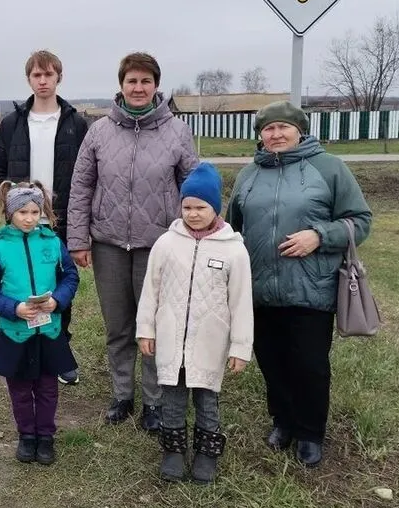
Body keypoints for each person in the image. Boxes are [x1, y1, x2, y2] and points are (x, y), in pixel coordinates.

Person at [227, 101, 372, 468]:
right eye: (268, 129)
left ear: (300, 131)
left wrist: (319, 236)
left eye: (283, 127)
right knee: (271, 360)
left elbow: (360, 220)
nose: (276, 134)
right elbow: (233, 226)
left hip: (310, 286)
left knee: (309, 363)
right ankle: (283, 421)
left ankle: (310, 432)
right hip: (259, 288)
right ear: (260, 135)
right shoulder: (249, 174)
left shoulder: (329, 168)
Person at [66, 52, 199, 430]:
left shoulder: (177, 132)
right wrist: (78, 239)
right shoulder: (99, 131)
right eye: (132, 81)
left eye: (145, 81)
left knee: (154, 326)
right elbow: (81, 187)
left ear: (156, 86)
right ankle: (122, 394)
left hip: (158, 246)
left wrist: (194, 236)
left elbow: (194, 186)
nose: (138, 88)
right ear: (121, 85)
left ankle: (154, 401)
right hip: (108, 244)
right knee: (118, 325)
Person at [136, 162, 253, 484]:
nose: (193, 214)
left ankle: (206, 453)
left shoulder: (234, 250)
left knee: (206, 398)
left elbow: (241, 301)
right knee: (172, 398)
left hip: (208, 342)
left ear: (215, 207)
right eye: (187, 207)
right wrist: (146, 329)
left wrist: (241, 347)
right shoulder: (166, 243)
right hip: (171, 338)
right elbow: (151, 290)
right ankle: (173, 450)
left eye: (201, 207)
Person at [0, 50, 89, 385]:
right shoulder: (12, 123)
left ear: (59, 77)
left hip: (59, 223)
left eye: (49, 74)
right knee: (24, 285)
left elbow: (87, 174)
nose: (43, 81)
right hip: (24, 222)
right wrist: (13, 207)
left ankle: (59, 353)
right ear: (29, 79)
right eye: (37, 75)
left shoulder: (76, 124)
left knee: (58, 287)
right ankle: (24, 349)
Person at [0, 181, 80, 466]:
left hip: (49, 331)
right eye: (22, 212)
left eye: (35, 212)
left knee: (47, 387)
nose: (29, 218)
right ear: (10, 212)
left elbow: (70, 277)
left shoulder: (53, 243)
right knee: (21, 389)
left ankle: (45, 436)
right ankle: (27, 435)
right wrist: (14, 308)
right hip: (15, 333)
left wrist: (57, 300)